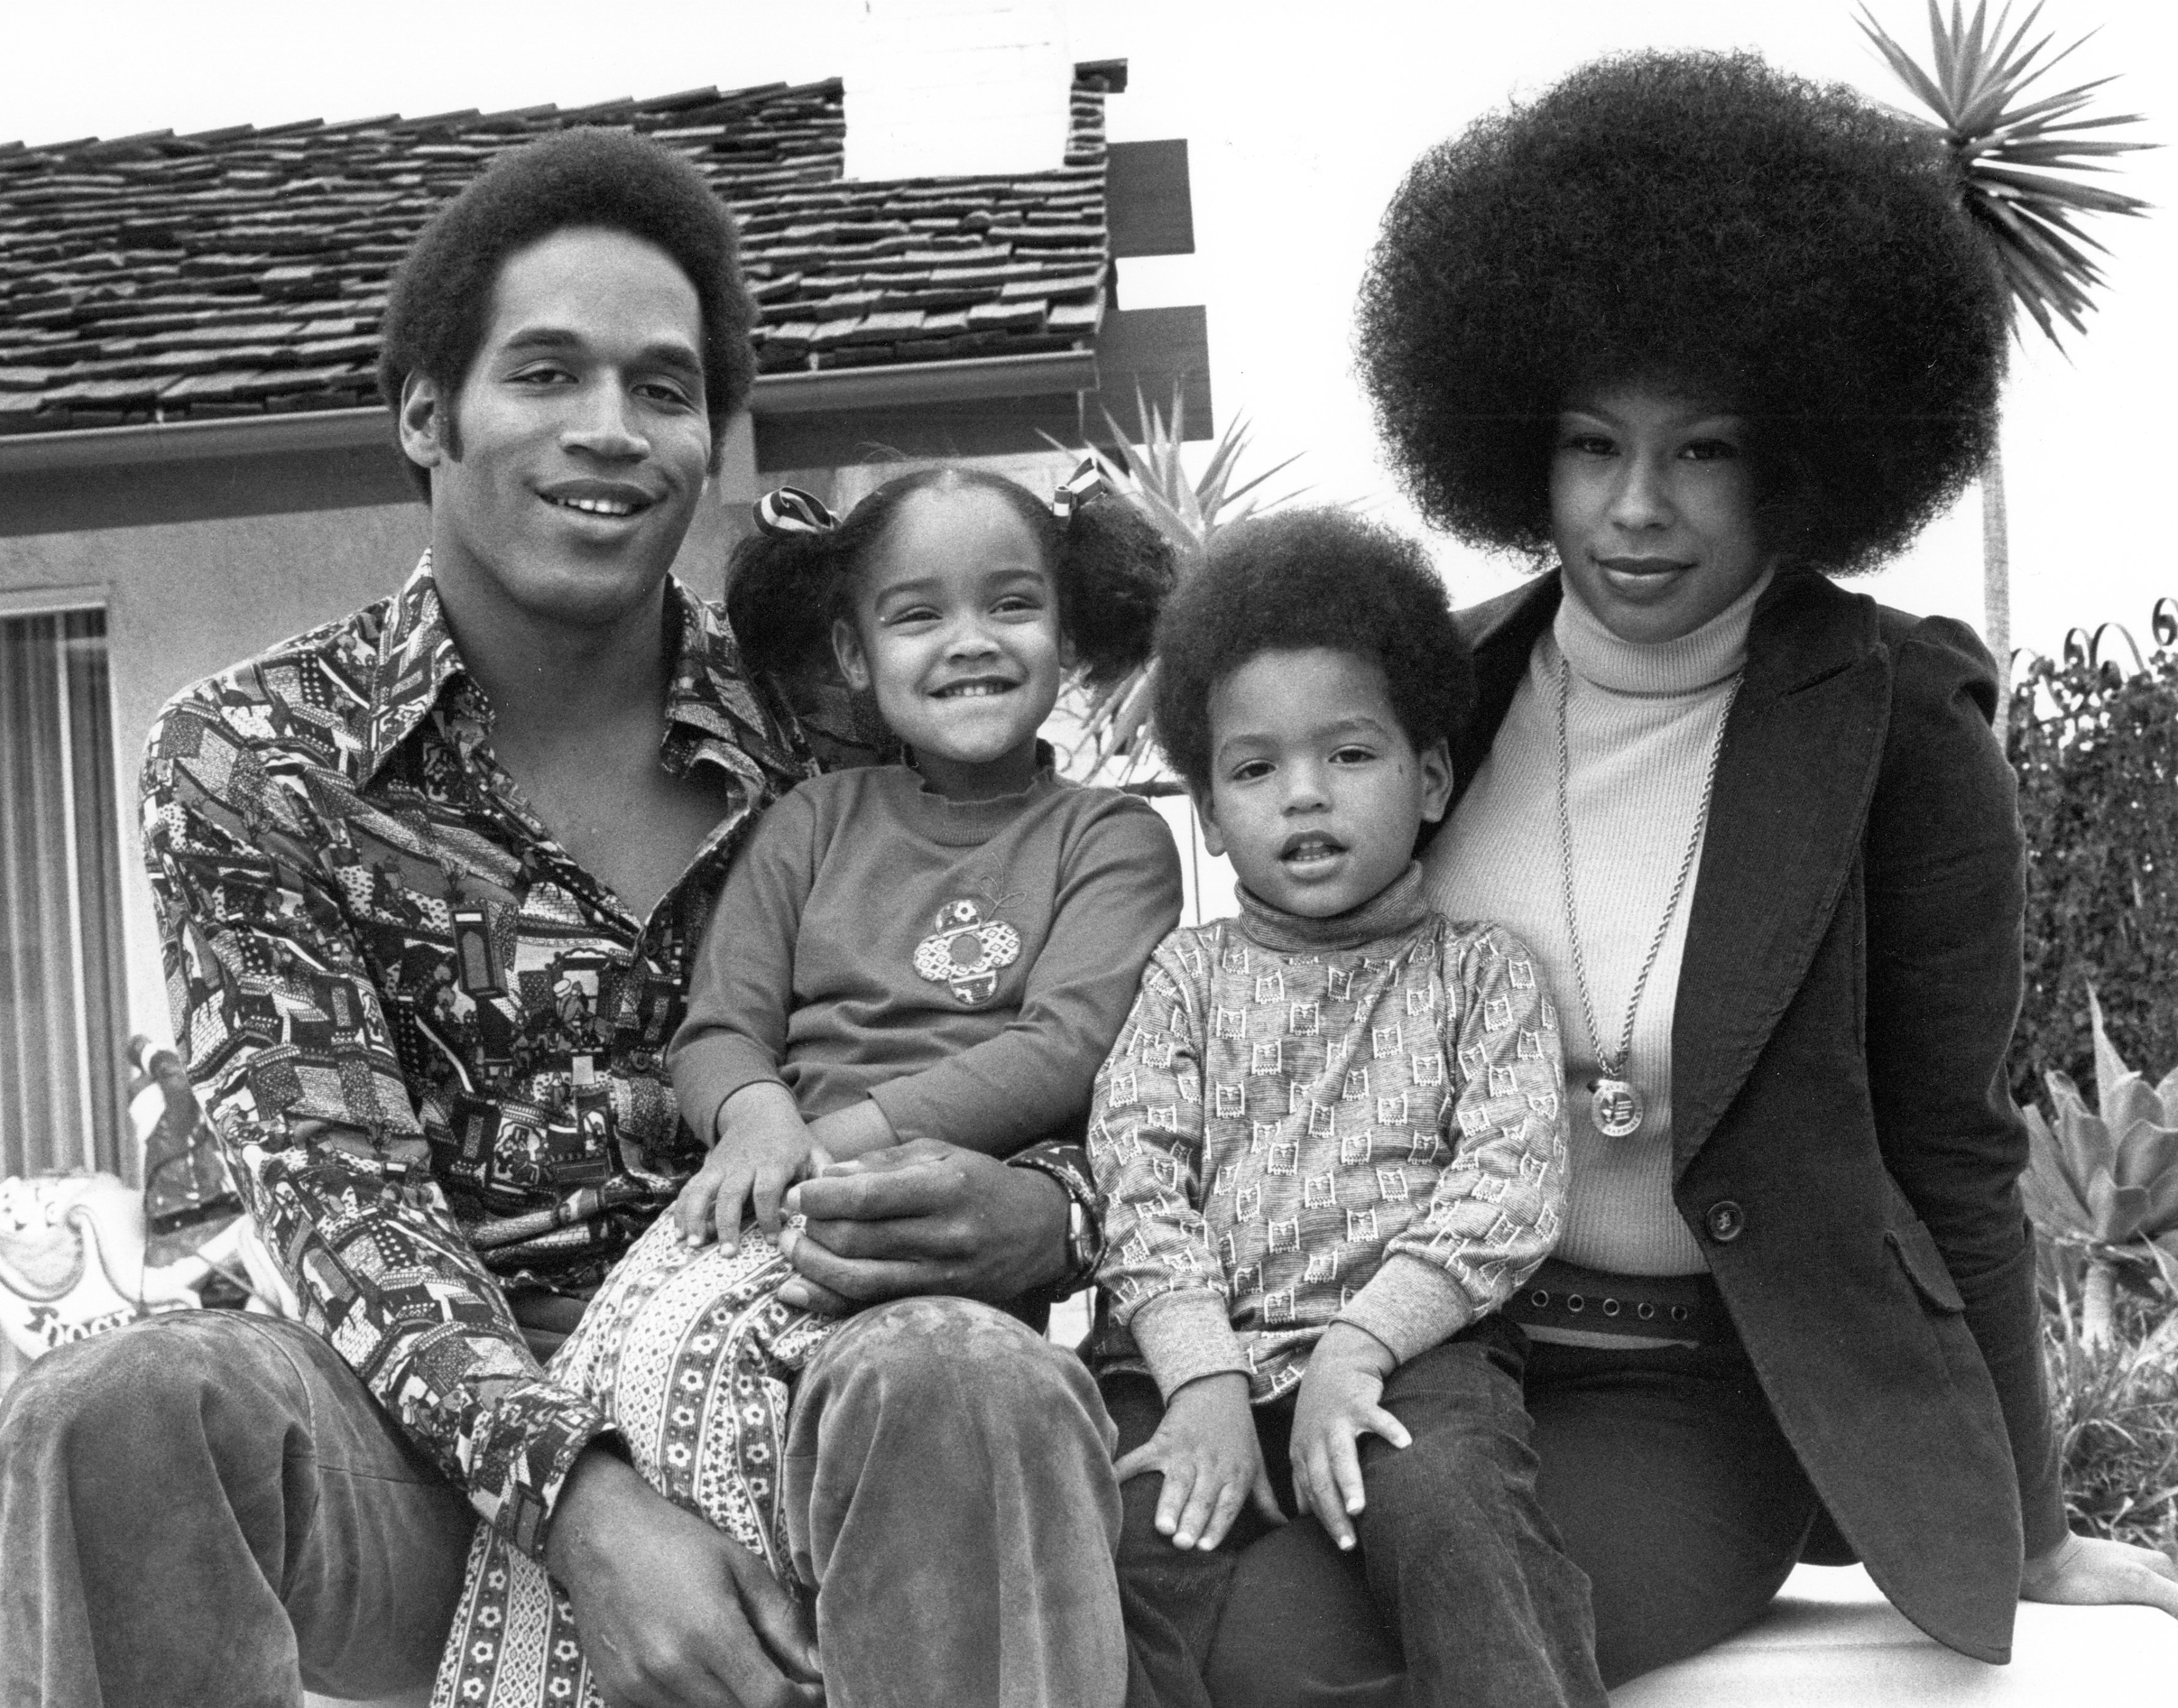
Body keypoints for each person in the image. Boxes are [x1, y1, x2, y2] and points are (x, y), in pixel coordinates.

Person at [0, 129, 1125, 1708]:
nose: (610, 430)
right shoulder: (255, 759)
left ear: (712, 446)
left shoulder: (842, 726)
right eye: (544, 373)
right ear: (425, 412)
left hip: (796, 1374)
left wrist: (1056, 1213)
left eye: (662, 390)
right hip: (423, 1463)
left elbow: (1085, 1029)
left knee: (967, 1374)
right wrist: (589, 1510)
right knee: (119, 1407)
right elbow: (348, 1217)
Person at [1199, 50, 2178, 1705]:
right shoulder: (1440, 690)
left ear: (1799, 458)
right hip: (1424, 1347)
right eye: (1590, 446)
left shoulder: (1894, 727)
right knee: (1199, 1626)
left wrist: (2027, 1524)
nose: (1635, 508)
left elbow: (1949, 1134)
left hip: (1697, 1394)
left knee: (1341, 1667)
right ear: (1516, 443)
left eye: (1702, 451)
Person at [435, 463, 1186, 1708]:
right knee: (646, 1374)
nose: (970, 643)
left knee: (913, 1401)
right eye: (917, 615)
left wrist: (847, 1132)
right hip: (771, 1187)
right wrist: (758, 1112)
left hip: (946, 1216)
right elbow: (719, 1025)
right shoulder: (815, 824)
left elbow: (1065, 1043)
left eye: (1011, 605)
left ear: (1069, 628)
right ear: (852, 648)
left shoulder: (1107, 839)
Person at [1091, 509, 1602, 1708]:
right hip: (1189, 1364)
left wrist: (1360, 1346)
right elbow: (1137, 1176)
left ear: (1429, 775)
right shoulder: (1186, 980)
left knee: (1449, 1506)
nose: (1305, 795)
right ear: (1212, 815)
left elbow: (1507, 1189)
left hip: (1410, 1357)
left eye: (1351, 755)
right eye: (1257, 768)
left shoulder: (1482, 974)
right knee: (1106, 1547)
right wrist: (1202, 1377)